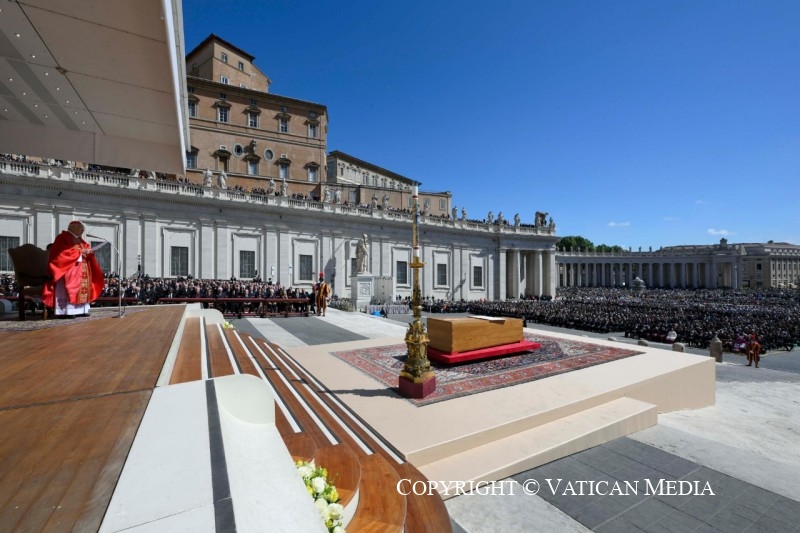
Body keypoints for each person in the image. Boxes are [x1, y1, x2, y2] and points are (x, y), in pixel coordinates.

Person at [42, 220, 104, 317]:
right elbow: (62, 253)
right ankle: (67, 311)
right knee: (70, 289)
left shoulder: (79, 240)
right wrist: (81, 252)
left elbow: (85, 249)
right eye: (81, 228)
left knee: (81, 290)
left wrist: (89, 252)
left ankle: (81, 310)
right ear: (72, 228)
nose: (83, 230)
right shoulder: (62, 237)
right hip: (67, 270)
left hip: (81, 269)